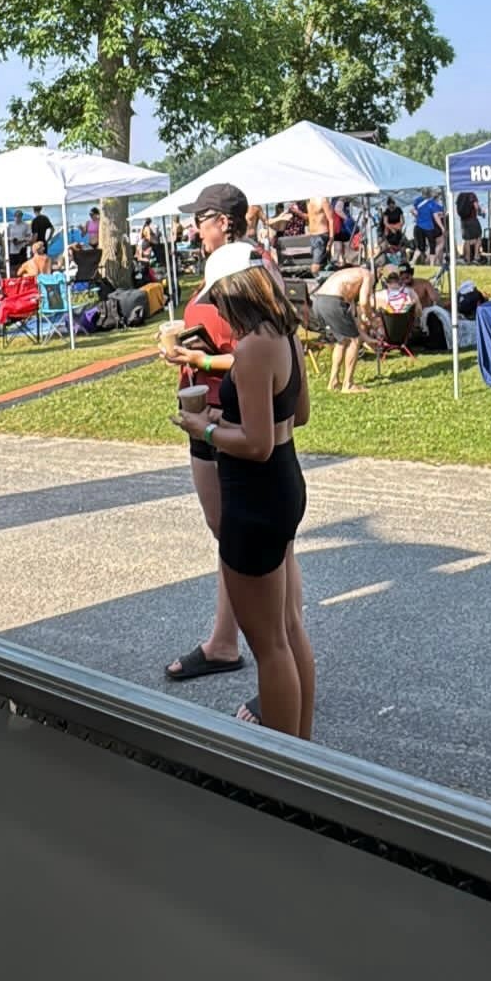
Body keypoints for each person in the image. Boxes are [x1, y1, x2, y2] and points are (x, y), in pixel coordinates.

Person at [171, 243, 314, 736]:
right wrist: (223, 414)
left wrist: (204, 431)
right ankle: (304, 750)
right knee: (290, 628)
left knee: (268, 644)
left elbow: (252, 445)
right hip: (286, 483)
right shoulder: (287, 336)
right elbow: (296, 414)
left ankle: (281, 767)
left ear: (234, 295)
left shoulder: (252, 348)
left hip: (253, 496)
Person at [162, 184, 255, 684]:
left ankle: (269, 651)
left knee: (251, 537)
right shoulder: (215, 267)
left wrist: (199, 358)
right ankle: (224, 640)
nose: (194, 229)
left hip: (230, 411)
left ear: (223, 220)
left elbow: (256, 352)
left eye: (200, 220)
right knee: (226, 533)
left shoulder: (243, 270)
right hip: (202, 408)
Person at [310, 264, 374, 392]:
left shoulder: (348, 277)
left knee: (343, 341)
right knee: (353, 342)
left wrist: (367, 338)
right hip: (333, 302)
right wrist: (371, 318)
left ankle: (333, 382)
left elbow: (350, 319)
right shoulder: (367, 274)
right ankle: (348, 385)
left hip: (317, 301)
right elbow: (364, 302)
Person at [412, 189, 444, 263]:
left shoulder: (418, 200)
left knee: (422, 246)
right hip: (431, 227)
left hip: (419, 226)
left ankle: (413, 261)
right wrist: (442, 227)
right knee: (437, 244)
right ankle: (431, 262)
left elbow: (413, 211)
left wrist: (417, 216)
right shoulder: (434, 204)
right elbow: (436, 216)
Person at [306, 195, 333, 272]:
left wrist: (331, 238)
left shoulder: (323, 200)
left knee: (315, 266)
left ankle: (318, 282)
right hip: (312, 235)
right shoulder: (308, 199)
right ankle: (323, 281)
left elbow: (331, 219)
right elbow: (311, 217)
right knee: (321, 263)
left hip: (321, 235)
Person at [456, 190, 483, 264]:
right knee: (479, 237)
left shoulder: (460, 194)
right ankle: (476, 258)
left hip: (463, 221)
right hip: (472, 219)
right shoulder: (472, 194)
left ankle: (467, 259)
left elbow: (457, 209)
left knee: (467, 240)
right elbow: (476, 207)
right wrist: (481, 212)